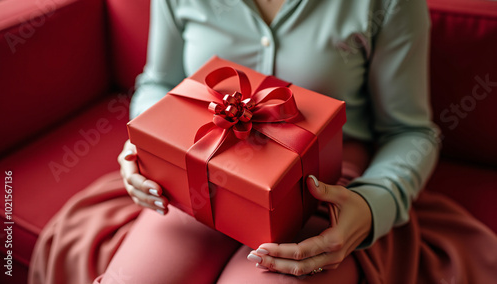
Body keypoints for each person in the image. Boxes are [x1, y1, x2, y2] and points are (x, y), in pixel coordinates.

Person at [29, 0, 497, 283]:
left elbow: (411, 130)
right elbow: (158, 82)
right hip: (199, 172)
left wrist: (372, 206)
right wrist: (144, 146)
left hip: (327, 189)